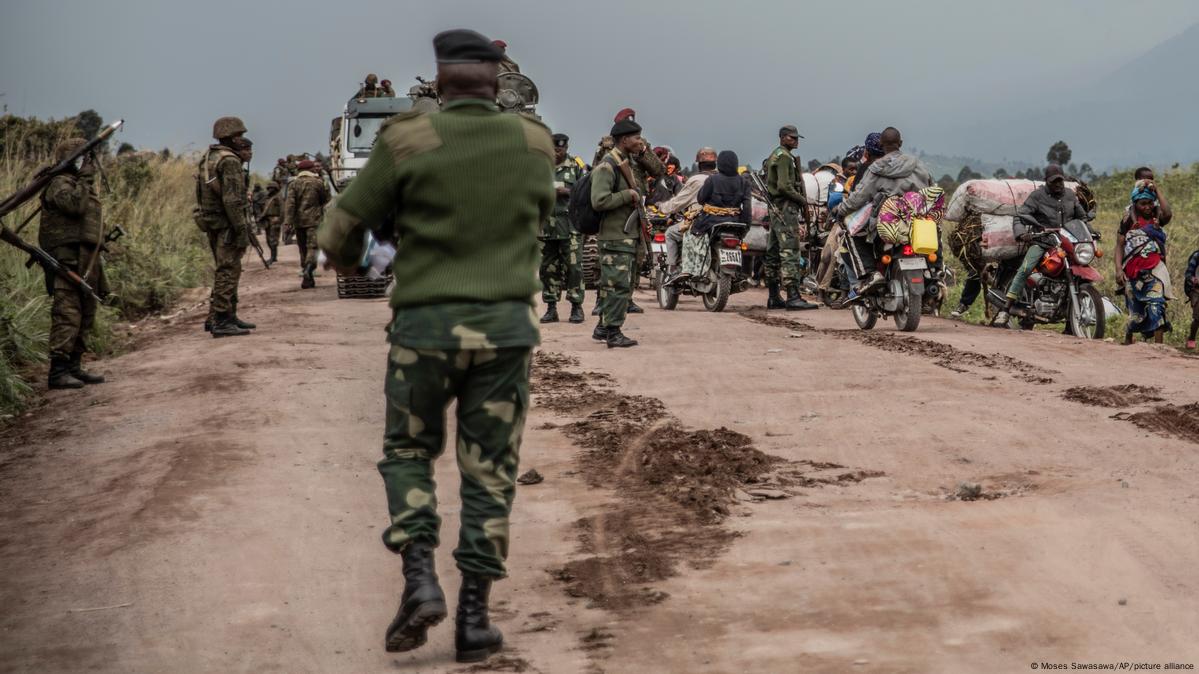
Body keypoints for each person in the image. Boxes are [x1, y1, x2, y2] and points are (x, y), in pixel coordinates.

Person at [317, 29, 553, 663]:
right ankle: (475, 617)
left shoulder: (406, 139)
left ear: (441, 80)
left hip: (423, 329)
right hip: (505, 334)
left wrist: (382, 256)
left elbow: (337, 234)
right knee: (490, 470)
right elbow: (539, 220)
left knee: (408, 450)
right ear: (500, 79)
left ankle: (419, 576)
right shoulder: (534, 144)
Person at [38, 138, 107, 388]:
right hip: (65, 260)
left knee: (86, 313)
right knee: (67, 313)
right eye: (83, 158)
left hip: (85, 258)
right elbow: (75, 207)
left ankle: (74, 367)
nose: (87, 163)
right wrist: (86, 179)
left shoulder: (77, 183)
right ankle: (57, 372)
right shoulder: (58, 184)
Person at [832, 127, 933, 295]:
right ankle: (936, 272)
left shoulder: (876, 168)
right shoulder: (918, 165)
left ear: (881, 144)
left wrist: (840, 210)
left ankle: (871, 274)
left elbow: (858, 198)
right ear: (900, 143)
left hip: (886, 222)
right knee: (934, 233)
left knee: (850, 234)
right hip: (916, 220)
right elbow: (931, 189)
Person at [991, 165, 1088, 327]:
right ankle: (1005, 310)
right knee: (1025, 270)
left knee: (1079, 269)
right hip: (1043, 242)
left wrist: (1090, 231)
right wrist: (1023, 233)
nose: (1058, 184)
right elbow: (1021, 215)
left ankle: (1070, 323)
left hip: (1067, 242)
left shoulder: (1070, 196)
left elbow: (1081, 217)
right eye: (1054, 181)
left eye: (1060, 180)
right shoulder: (1037, 196)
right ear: (1047, 181)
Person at [591, 107, 663, 317]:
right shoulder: (607, 150)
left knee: (636, 256)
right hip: (616, 210)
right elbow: (598, 177)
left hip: (636, 208)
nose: (639, 140)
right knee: (611, 259)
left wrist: (642, 153)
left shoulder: (641, 148)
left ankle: (626, 297)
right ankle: (603, 300)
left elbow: (658, 170)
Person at [195, 116, 255, 338]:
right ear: (229, 137)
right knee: (228, 270)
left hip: (213, 221)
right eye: (238, 136)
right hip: (227, 222)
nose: (242, 140)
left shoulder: (209, 156)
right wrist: (241, 228)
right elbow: (232, 200)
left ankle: (226, 315)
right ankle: (221, 319)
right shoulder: (229, 160)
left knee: (227, 269)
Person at [590, 117, 646, 348]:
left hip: (624, 233)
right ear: (624, 140)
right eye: (636, 138)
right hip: (615, 236)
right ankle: (613, 331)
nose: (640, 142)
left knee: (612, 284)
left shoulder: (624, 162)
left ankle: (603, 327)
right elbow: (599, 200)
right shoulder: (607, 165)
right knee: (618, 286)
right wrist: (628, 195)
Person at [763, 124, 818, 310]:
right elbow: (784, 186)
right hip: (785, 208)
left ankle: (773, 295)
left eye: (796, 138)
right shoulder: (785, 157)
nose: (795, 141)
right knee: (790, 252)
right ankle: (793, 296)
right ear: (783, 137)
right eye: (791, 138)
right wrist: (802, 200)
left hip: (776, 208)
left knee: (773, 251)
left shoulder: (776, 155)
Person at [539, 133, 586, 324]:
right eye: (554, 150)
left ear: (566, 149)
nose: (557, 153)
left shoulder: (576, 166)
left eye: (560, 150)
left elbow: (585, 193)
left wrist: (566, 192)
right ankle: (551, 308)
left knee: (574, 268)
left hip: (570, 227)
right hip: (547, 227)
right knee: (548, 269)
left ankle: (576, 307)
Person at [1120, 182, 1171, 344]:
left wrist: (1157, 189)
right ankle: (1128, 341)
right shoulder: (1128, 221)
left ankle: (1159, 348)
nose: (1147, 207)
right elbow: (1119, 246)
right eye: (1143, 203)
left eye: (1150, 202)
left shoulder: (1157, 219)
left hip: (1154, 272)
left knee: (1157, 307)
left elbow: (1168, 213)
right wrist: (1117, 270)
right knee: (1135, 314)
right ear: (1135, 204)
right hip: (1132, 274)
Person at [658, 147, 717, 284]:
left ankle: (672, 270)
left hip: (700, 222)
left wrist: (662, 207)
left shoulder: (696, 180)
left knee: (670, 234)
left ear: (699, 164)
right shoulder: (722, 178)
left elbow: (679, 201)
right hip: (721, 222)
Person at [286, 159, 331, 289]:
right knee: (313, 247)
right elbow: (326, 200)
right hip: (314, 221)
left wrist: (288, 222)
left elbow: (290, 205)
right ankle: (309, 269)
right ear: (311, 169)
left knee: (303, 248)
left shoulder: (293, 184)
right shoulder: (318, 183)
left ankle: (307, 278)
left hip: (298, 222)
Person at [260, 182, 283, 264]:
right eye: (269, 188)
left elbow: (282, 209)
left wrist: (280, 220)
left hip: (275, 219)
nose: (270, 189)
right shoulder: (267, 198)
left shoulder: (278, 197)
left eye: (272, 188)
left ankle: (273, 257)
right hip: (268, 219)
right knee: (268, 239)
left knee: (273, 240)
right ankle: (273, 256)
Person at [1185, 247, 1199, 349]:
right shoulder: (1197, 256)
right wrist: (1194, 279)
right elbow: (1188, 274)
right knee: (1198, 317)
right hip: (1196, 289)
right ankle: (1192, 338)